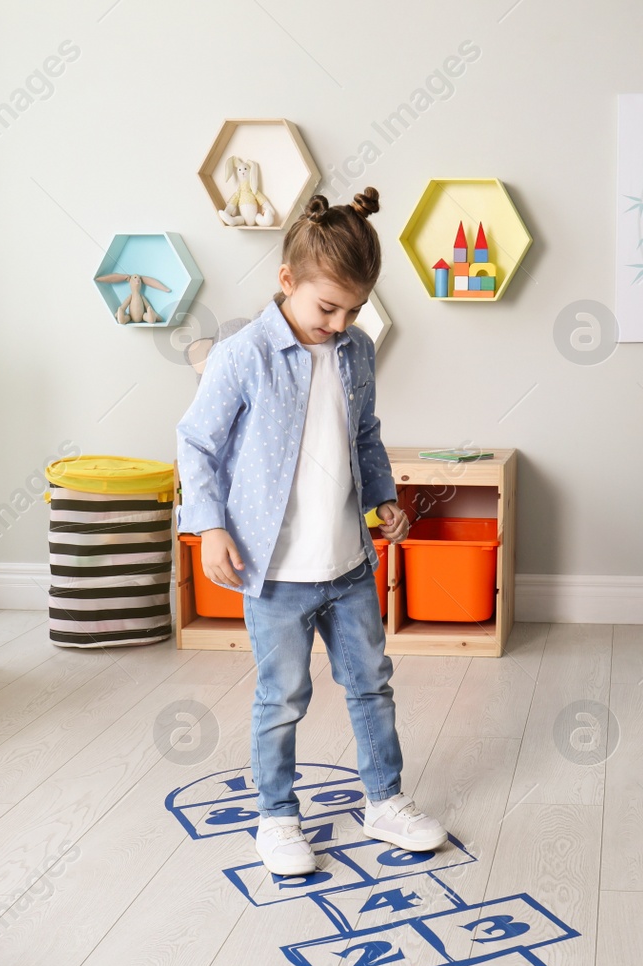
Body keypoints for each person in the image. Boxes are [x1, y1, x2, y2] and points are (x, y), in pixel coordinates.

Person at [176, 187, 448, 876]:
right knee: (283, 694)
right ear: (287, 281)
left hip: (348, 563)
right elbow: (197, 444)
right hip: (276, 572)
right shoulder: (244, 355)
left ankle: (384, 799)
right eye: (327, 306)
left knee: (371, 682)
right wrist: (208, 527)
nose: (339, 321)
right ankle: (277, 816)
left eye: (353, 309)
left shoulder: (356, 351)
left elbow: (364, 435)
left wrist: (383, 497)